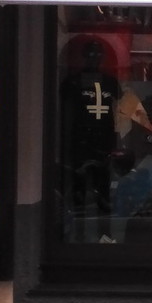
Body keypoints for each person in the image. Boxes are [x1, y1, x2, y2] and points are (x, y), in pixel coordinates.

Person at [60, 38, 120, 213]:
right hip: (81, 138)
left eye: (98, 55)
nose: (95, 58)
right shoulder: (73, 82)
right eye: (91, 54)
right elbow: (65, 112)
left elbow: (120, 109)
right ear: (84, 56)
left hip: (105, 138)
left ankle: (104, 222)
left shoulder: (110, 82)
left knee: (103, 181)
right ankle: (77, 217)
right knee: (79, 181)